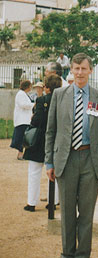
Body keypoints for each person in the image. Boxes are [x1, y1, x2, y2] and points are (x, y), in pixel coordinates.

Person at [45, 53, 98, 258]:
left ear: (90, 71)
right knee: (66, 211)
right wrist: (49, 162)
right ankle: (67, 255)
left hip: (90, 160)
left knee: (86, 211)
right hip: (65, 158)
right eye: (76, 69)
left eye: (84, 68)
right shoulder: (59, 95)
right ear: (71, 71)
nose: (80, 72)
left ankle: (82, 256)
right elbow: (51, 130)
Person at [23, 75, 62, 211]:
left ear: (46, 87)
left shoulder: (41, 101)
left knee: (34, 171)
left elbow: (36, 121)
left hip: (39, 140)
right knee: (55, 172)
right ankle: (54, 200)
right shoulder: (62, 101)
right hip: (56, 140)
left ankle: (31, 203)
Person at [11, 80, 34, 160]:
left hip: (25, 120)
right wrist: (34, 105)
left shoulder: (24, 94)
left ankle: (22, 154)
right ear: (27, 86)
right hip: (22, 120)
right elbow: (23, 104)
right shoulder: (21, 94)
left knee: (24, 138)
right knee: (21, 138)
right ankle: (20, 154)